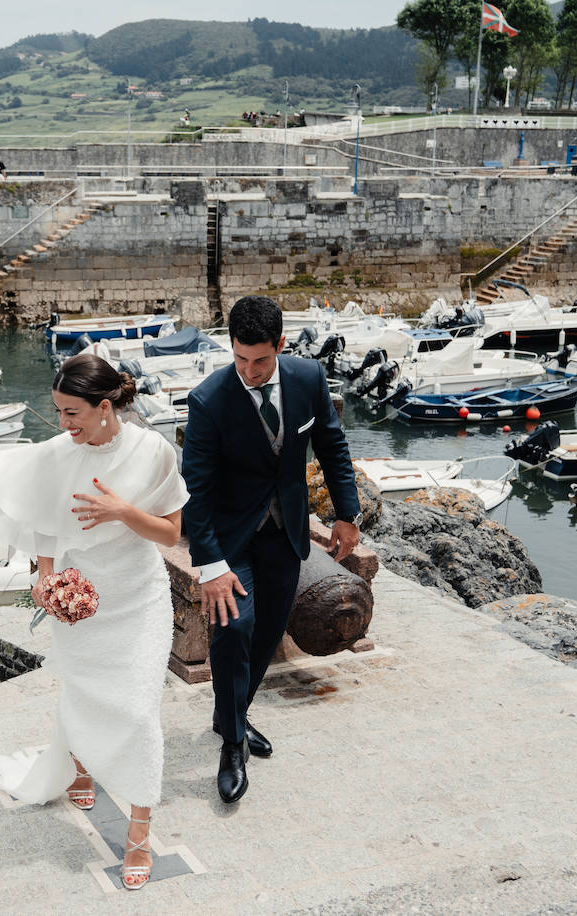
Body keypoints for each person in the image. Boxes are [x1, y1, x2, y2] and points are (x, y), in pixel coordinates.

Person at [0, 354, 188, 890]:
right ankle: (80, 763)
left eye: (71, 412)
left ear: (103, 407)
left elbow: (169, 535)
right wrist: (45, 579)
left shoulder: (154, 452)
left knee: (140, 713)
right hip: (81, 595)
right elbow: (46, 525)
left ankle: (139, 833)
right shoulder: (57, 454)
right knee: (82, 689)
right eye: (58, 411)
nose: (63, 423)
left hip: (138, 598)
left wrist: (124, 513)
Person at [181, 295, 361, 804]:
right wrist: (210, 566)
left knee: (267, 630)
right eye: (239, 359)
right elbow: (194, 491)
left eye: (260, 360)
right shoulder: (208, 400)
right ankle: (233, 743)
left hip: (286, 533)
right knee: (233, 627)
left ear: (280, 346)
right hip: (228, 538)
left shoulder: (307, 379)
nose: (249, 371)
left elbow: (332, 445)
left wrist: (348, 515)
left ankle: (229, 711)